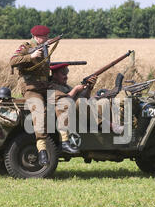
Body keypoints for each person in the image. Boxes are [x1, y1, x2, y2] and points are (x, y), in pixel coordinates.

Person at [9, 25, 78, 165]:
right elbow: (12, 60)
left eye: (47, 36)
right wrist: (30, 56)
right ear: (36, 36)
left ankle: (65, 140)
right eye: (44, 37)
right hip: (31, 87)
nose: (46, 38)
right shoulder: (26, 46)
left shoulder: (45, 47)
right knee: (39, 110)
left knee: (63, 101)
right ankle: (42, 151)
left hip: (45, 86)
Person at [50, 64, 124, 136]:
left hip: (82, 116)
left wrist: (89, 87)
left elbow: (84, 97)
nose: (66, 76)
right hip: (70, 118)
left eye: (66, 73)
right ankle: (108, 125)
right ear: (55, 75)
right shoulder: (52, 87)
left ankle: (108, 130)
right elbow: (64, 101)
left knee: (103, 101)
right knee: (80, 102)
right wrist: (75, 90)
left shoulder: (65, 86)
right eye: (63, 73)